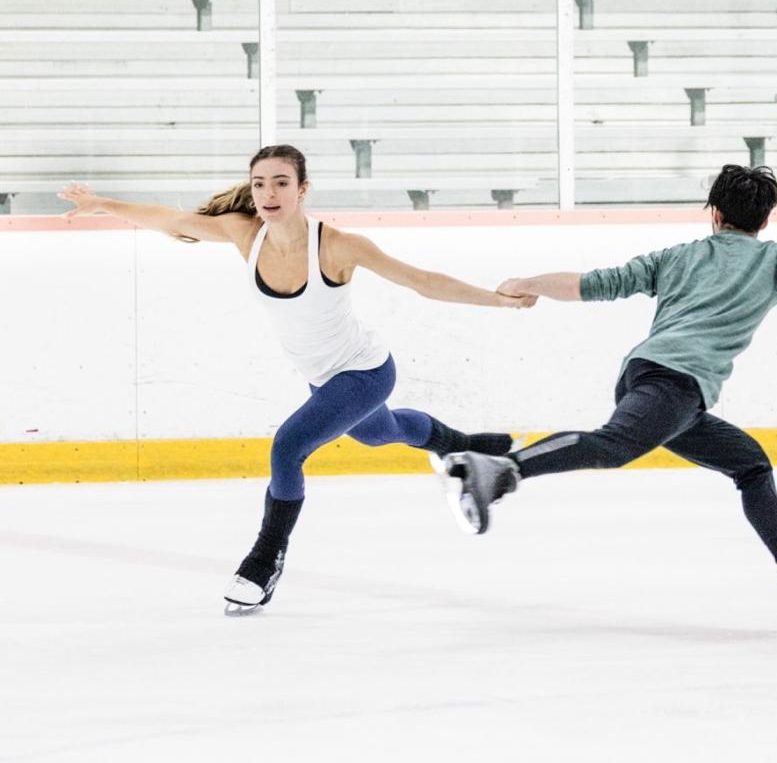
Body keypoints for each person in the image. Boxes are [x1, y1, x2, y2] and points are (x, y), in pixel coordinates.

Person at [437, 164, 777, 630]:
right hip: (675, 383)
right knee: (613, 446)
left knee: (749, 464)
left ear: (714, 214)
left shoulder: (678, 256)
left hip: (658, 382)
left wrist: (529, 281)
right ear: (764, 221)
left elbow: (591, 284)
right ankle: (500, 470)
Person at [59, 144, 535, 616]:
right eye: (260, 183)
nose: (269, 193)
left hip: (365, 371)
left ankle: (264, 563)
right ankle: (464, 444)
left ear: (303, 189)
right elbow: (171, 221)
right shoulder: (244, 233)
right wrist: (104, 204)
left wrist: (498, 300)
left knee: (287, 448)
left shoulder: (336, 245)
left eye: (281, 183)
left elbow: (420, 280)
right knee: (380, 433)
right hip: (325, 379)